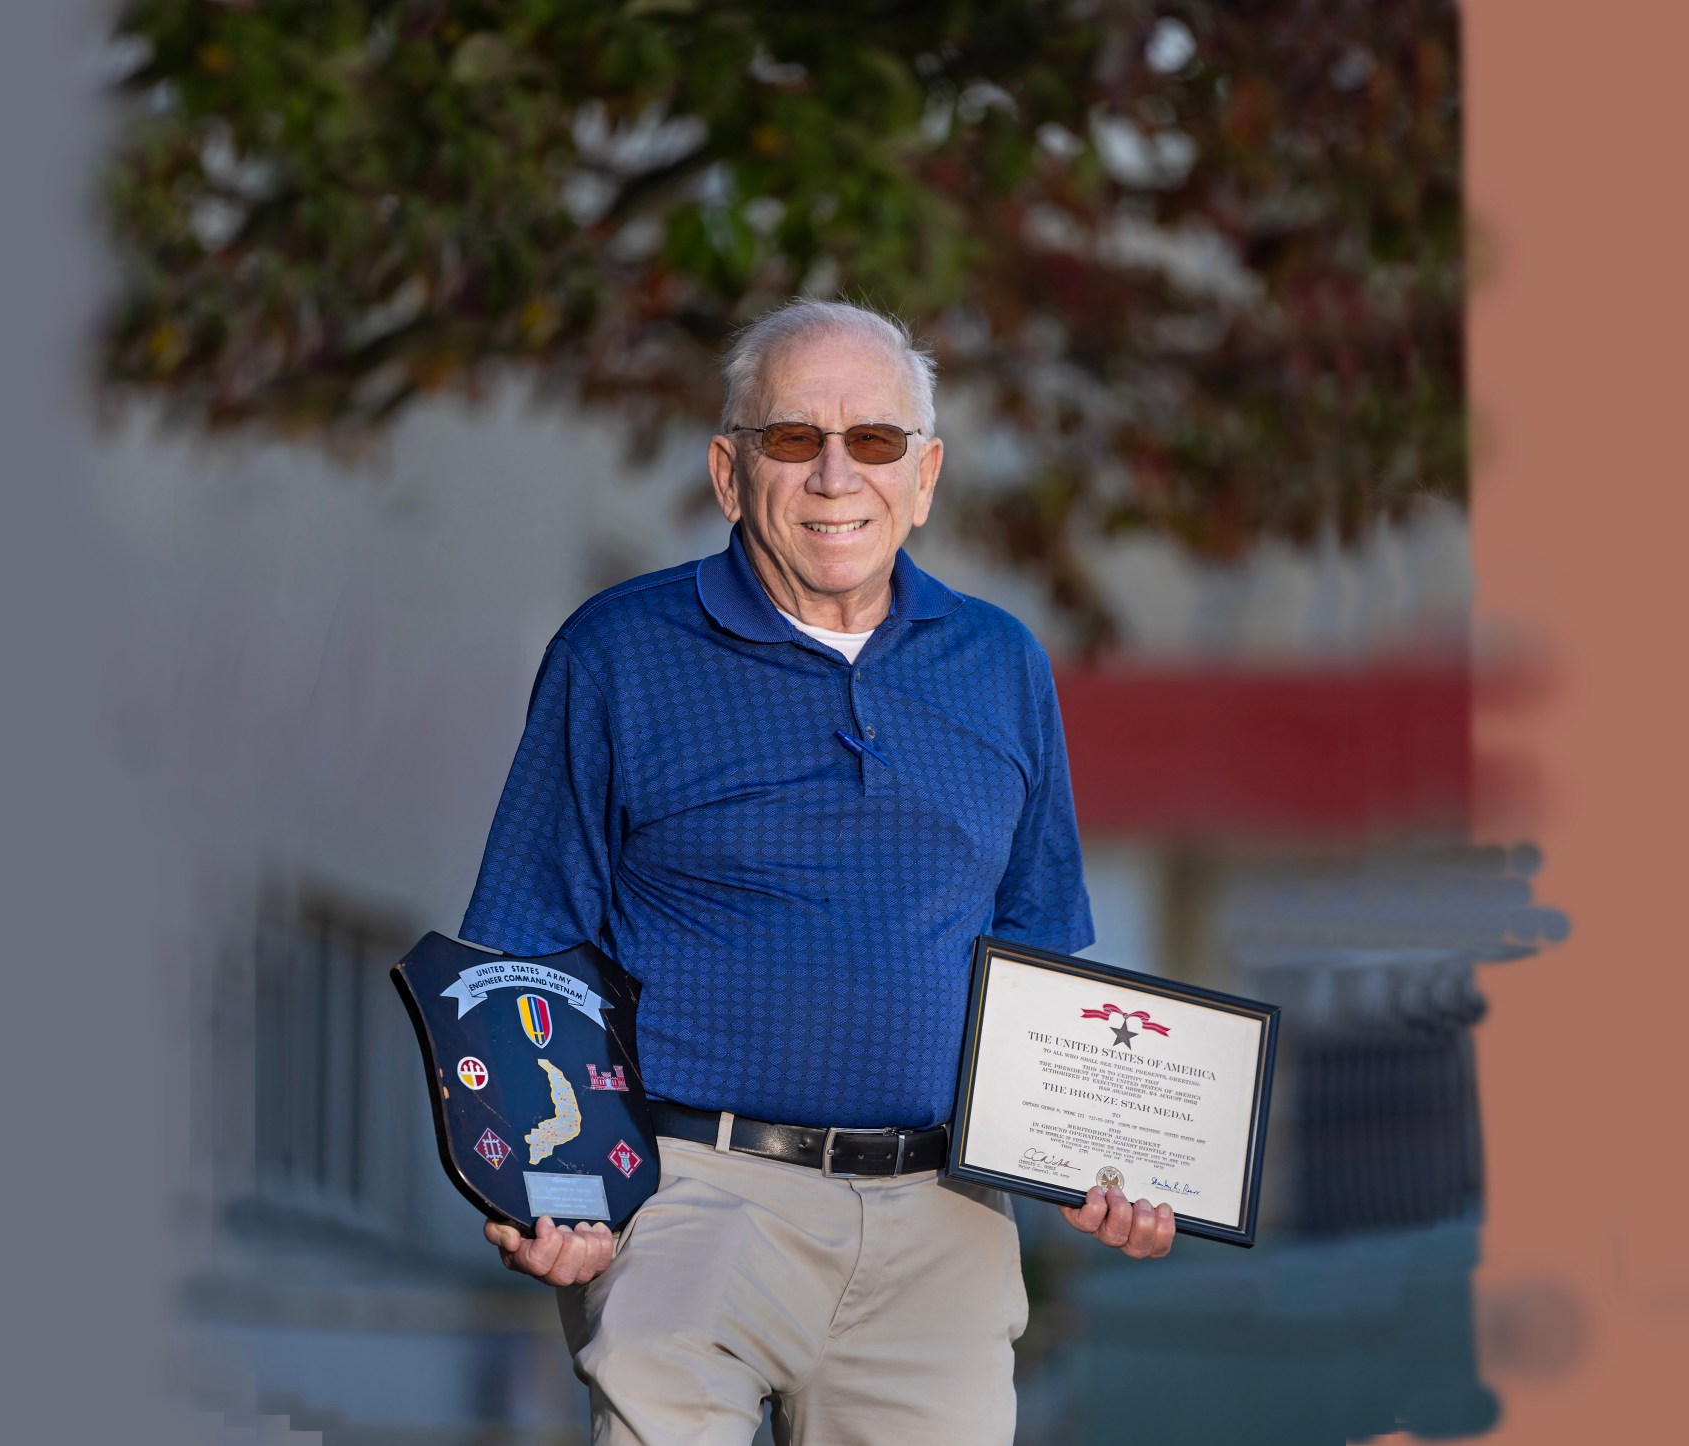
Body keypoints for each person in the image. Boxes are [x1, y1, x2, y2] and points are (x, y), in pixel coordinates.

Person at [460, 299, 1174, 1444]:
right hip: (690, 1195)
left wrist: (1109, 1165)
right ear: (729, 472)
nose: (836, 473)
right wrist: (562, 1184)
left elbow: (1034, 956)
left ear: (923, 475)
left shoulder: (999, 666)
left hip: (940, 1219)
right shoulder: (617, 653)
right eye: (793, 438)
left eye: (875, 441)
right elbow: (527, 945)